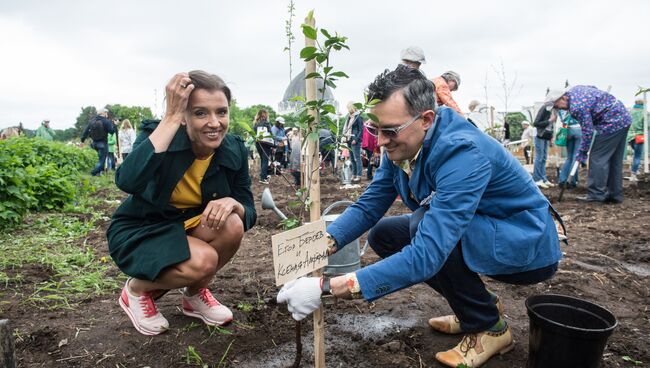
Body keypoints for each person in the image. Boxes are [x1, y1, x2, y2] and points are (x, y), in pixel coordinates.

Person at [277, 65, 562, 368]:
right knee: (384, 234)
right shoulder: (404, 143)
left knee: (424, 226)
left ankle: (489, 327)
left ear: (426, 119)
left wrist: (325, 288)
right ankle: (479, 305)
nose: (381, 141)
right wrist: (316, 246)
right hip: (480, 230)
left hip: (523, 243)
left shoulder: (463, 153)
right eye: (375, 130)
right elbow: (369, 205)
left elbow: (428, 253)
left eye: (389, 131)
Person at [107, 71, 256, 336]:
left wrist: (233, 202)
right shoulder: (160, 135)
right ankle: (136, 290)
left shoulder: (233, 149)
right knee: (204, 260)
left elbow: (249, 207)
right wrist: (171, 117)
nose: (214, 123)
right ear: (184, 115)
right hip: (144, 229)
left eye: (221, 112)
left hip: (188, 225)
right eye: (200, 113)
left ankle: (194, 295)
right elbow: (127, 181)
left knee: (234, 223)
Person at [547, 86, 632, 203]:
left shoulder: (577, 107)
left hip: (611, 123)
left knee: (597, 158)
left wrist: (582, 152)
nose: (559, 109)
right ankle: (614, 195)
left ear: (563, 98)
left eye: (557, 106)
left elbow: (588, 131)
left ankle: (596, 195)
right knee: (614, 159)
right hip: (623, 118)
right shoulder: (575, 90)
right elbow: (593, 89)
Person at [81, 108, 115, 176]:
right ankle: (93, 173)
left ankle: (99, 173)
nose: (107, 114)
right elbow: (112, 131)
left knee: (99, 158)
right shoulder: (106, 121)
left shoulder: (92, 121)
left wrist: (82, 140)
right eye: (106, 113)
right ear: (104, 113)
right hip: (102, 143)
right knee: (101, 160)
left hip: (94, 144)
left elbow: (86, 131)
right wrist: (113, 124)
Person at [532, 100, 557, 189]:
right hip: (539, 135)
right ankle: (536, 179)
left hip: (546, 135)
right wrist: (549, 120)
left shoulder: (554, 110)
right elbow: (536, 123)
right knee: (539, 157)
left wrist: (551, 138)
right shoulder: (545, 108)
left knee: (544, 158)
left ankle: (543, 178)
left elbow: (552, 126)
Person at [557, 110, 582, 188]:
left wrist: (565, 132)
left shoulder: (560, 110)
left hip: (568, 130)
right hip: (578, 129)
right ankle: (571, 181)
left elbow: (564, 122)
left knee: (569, 158)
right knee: (575, 157)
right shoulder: (576, 104)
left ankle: (562, 179)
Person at [626, 98, 648, 182]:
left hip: (629, 136)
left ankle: (636, 169)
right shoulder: (645, 113)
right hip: (639, 136)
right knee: (637, 156)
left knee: (633, 154)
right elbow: (648, 125)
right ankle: (633, 174)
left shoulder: (629, 112)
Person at [344, 102, 364, 183]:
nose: (348, 110)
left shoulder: (358, 117)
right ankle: (354, 174)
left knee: (357, 158)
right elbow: (347, 128)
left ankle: (359, 176)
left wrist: (356, 139)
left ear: (352, 108)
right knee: (352, 158)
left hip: (355, 140)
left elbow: (361, 130)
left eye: (349, 108)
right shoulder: (349, 117)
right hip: (349, 139)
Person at [253, 109, 274, 184]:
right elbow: (270, 133)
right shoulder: (266, 123)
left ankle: (263, 176)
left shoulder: (255, 124)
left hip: (258, 143)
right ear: (266, 115)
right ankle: (263, 178)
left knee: (263, 159)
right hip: (266, 143)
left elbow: (253, 134)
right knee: (265, 160)